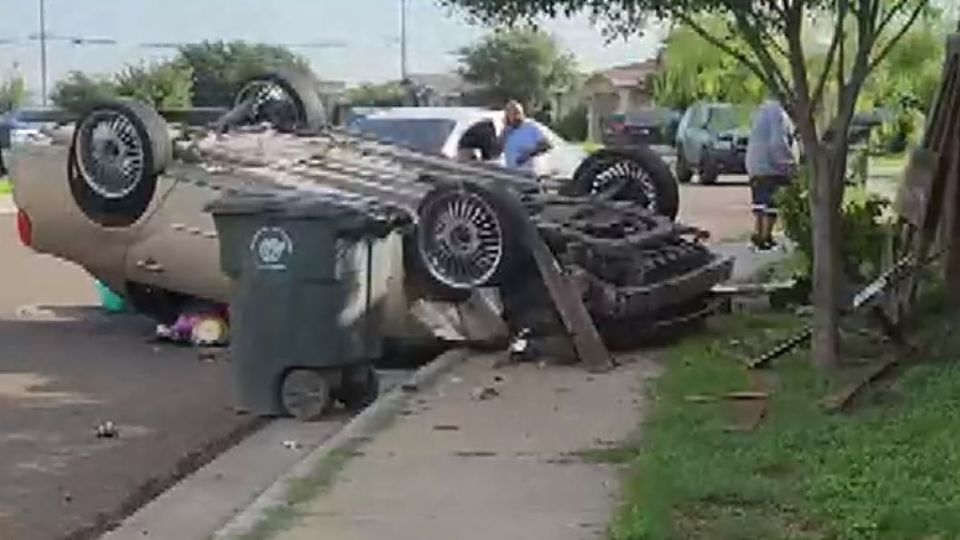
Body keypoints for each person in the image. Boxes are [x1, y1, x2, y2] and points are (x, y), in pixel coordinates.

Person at [745, 96, 797, 251]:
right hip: (770, 164)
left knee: (760, 200)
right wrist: (790, 164)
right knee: (772, 200)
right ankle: (766, 236)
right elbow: (777, 142)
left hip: (754, 163)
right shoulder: (778, 113)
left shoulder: (761, 111)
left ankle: (758, 233)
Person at [500, 100, 552, 172]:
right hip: (511, 174)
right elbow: (497, 152)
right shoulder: (506, 131)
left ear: (522, 113)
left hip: (529, 173)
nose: (516, 116)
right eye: (512, 113)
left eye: (518, 113)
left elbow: (547, 145)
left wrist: (528, 154)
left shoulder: (531, 126)